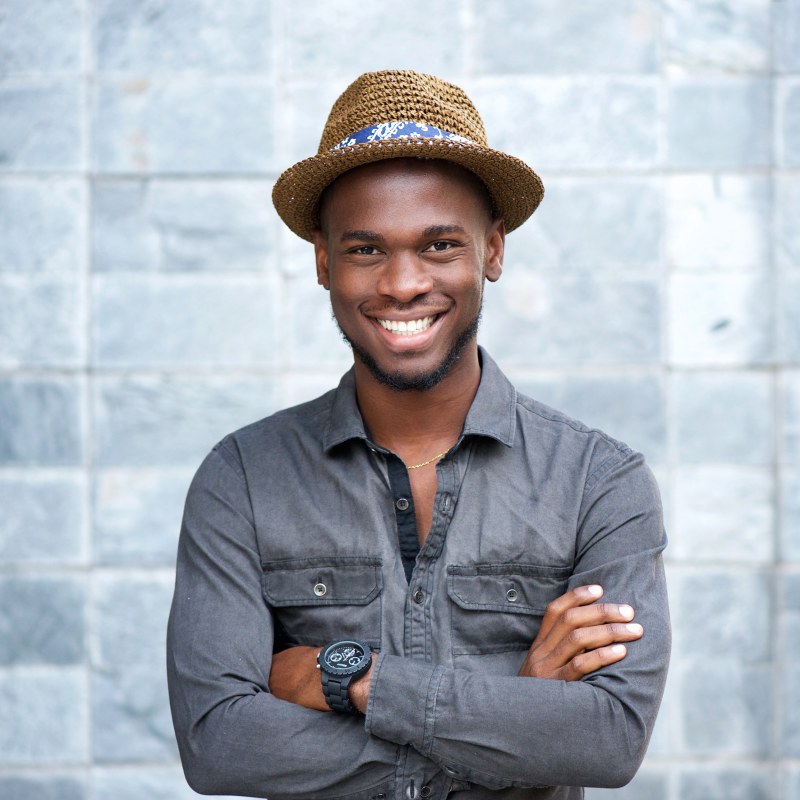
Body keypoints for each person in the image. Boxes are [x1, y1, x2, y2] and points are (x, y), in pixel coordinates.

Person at [167, 70, 670, 800]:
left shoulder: (600, 481)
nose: (403, 284)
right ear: (323, 261)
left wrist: (349, 677)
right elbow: (220, 745)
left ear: (492, 252)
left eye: (439, 245)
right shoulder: (242, 475)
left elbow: (608, 738)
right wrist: (514, 708)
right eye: (367, 249)